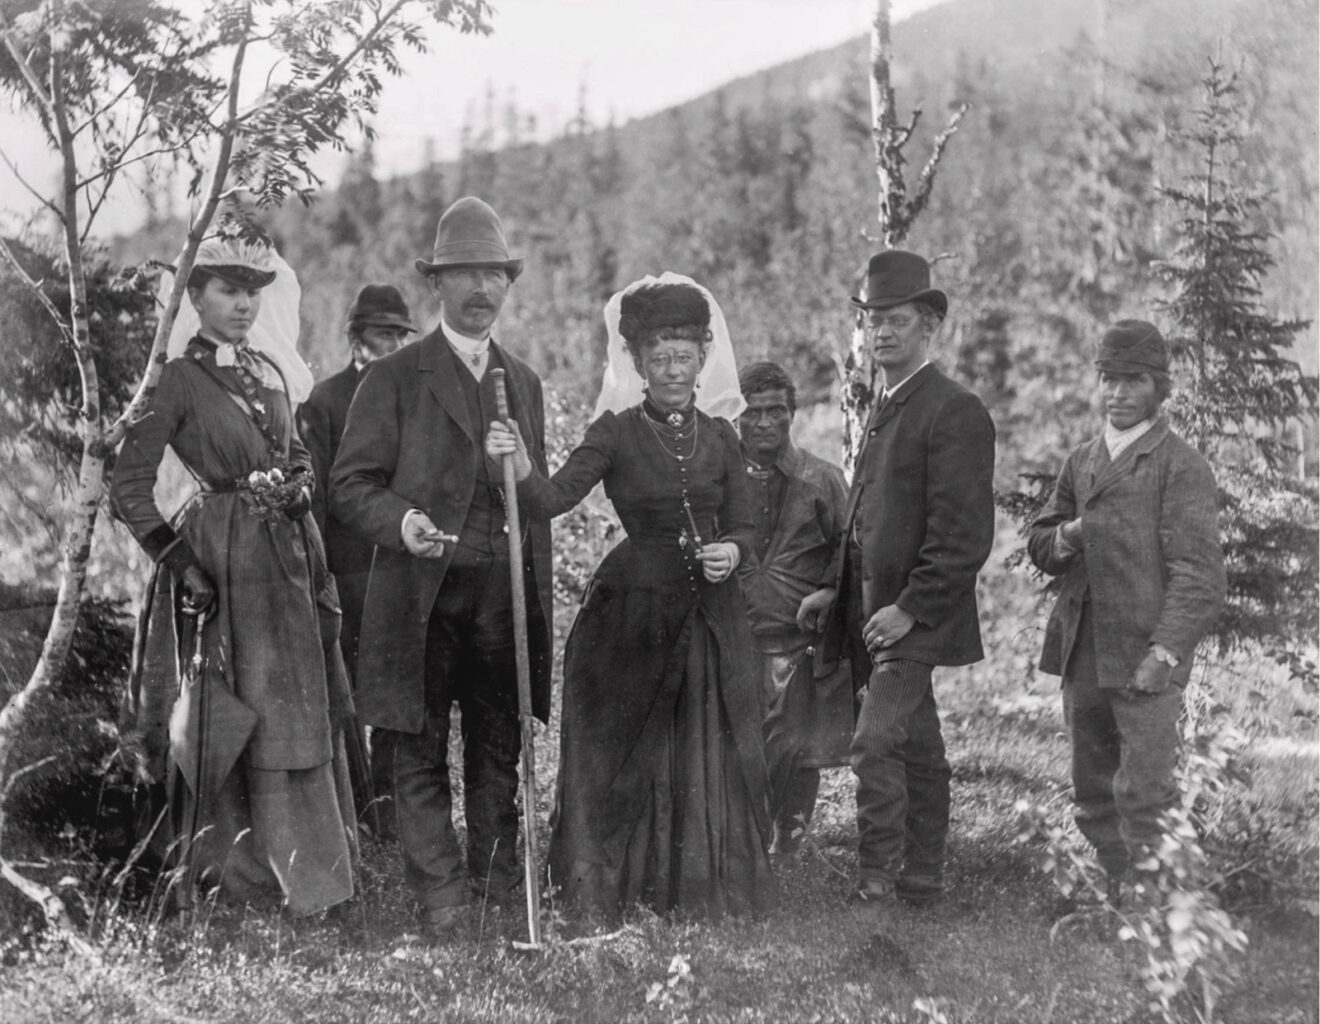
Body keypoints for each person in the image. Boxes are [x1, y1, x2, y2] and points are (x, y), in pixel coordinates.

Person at [486, 274, 774, 922]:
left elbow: (745, 525)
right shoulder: (614, 432)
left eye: (683, 356)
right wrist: (520, 464)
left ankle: (699, 885)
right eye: (659, 358)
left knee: (702, 744)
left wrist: (732, 551)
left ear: (703, 358)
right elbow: (552, 499)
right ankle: (624, 887)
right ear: (637, 363)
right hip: (632, 617)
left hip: (709, 618)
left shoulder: (721, 437)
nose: (672, 370)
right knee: (629, 746)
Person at [111, 218, 355, 916]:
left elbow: (296, 452)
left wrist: (300, 485)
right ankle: (233, 880)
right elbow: (129, 487)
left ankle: (310, 880)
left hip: (288, 564)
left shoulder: (269, 370)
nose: (244, 304)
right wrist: (182, 563)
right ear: (196, 296)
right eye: (228, 290)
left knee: (294, 713)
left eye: (252, 291)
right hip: (223, 566)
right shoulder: (176, 380)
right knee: (231, 713)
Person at [329, 197, 553, 939]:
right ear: (436, 284)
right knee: (417, 753)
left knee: (497, 752)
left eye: (495, 274)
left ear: (508, 283)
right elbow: (349, 485)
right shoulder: (394, 378)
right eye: (465, 274)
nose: (482, 288)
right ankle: (444, 899)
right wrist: (403, 523)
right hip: (419, 599)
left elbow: (536, 497)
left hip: (500, 599)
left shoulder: (524, 381)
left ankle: (496, 887)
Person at [798, 250, 995, 933]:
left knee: (875, 740)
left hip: (912, 617)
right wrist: (832, 591)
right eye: (872, 320)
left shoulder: (953, 410)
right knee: (920, 745)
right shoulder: (886, 405)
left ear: (929, 325)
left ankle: (877, 881)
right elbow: (863, 520)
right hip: (871, 610)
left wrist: (910, 609)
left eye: (897, 319)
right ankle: (923, 876)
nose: (881, 331)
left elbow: (963, 537)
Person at [1027, 320, 1225, 900]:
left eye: (1133, 380)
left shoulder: (1179, 464)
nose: (1117, 393)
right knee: (1091, 784)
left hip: (1144, 653)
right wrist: (1070, 534)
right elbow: (1041, 544)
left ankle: (1157, 899)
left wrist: (1164, 653)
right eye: (1108, 379)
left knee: (1145, 789)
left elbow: (1200, 576)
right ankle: (1117, 886)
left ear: (1159, 388)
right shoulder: (1083, 460)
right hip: (1083, 647)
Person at [297, 283, 417, 835]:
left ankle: (389, 812)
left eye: (400, 334)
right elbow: (317, 499)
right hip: (347, 573)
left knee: (396, 695)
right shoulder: (324, 403)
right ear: (354, 338)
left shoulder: (415, 398)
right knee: (344, 695)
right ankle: (352, 813)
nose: (393, 344)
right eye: (382, 333)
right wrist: (321, 576)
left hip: (404, 570)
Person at [734, 361, 851, 856]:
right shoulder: (718, 481)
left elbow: (851, 548)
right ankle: (743, 847)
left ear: (792, 414)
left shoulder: (822, 479)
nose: (764, 422)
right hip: (734, 642)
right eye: (751, 412)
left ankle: (790, 844)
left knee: (799, 749)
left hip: (799, 644)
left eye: (775, 411)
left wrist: (828, 589)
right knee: (738, 749)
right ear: (735, 416)